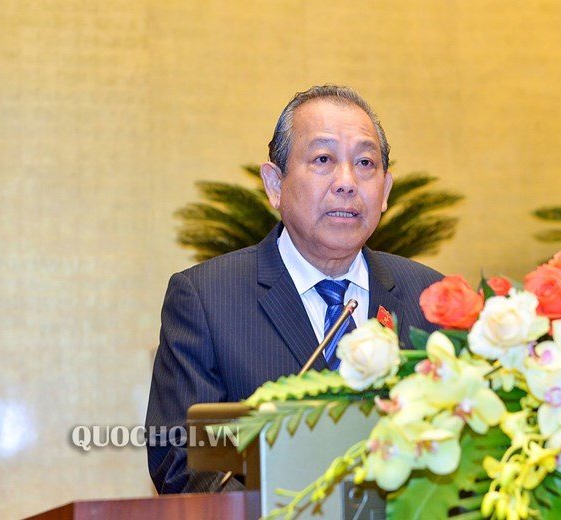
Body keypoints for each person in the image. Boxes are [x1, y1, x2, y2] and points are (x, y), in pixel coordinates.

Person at [145, 85, 444, 493]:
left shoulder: (429, 298)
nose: (347, 182)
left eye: (365, 163)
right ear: (274, 184)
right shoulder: (206, 299)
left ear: (385, 191)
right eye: (323, 159)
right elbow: (187, 466)